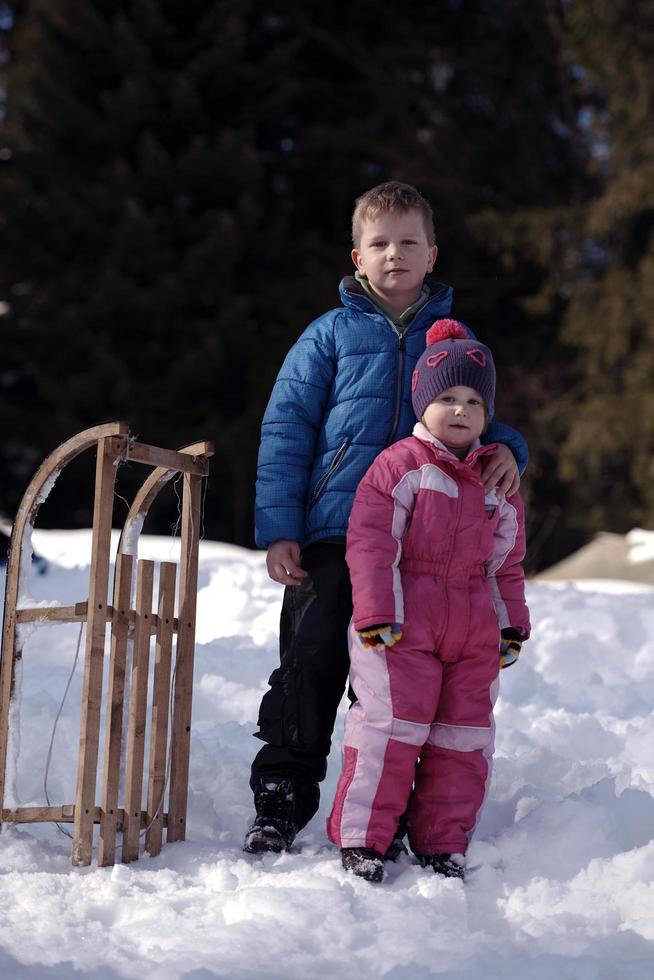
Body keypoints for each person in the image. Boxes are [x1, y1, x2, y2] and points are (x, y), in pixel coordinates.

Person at [244, 181, 528, 855]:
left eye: (408, 242)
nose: (394, 254)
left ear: (432, 255)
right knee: (310, 660)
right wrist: (281, 527)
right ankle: (281, 793)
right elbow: (287, 429)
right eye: (379, 244)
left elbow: (476, 420)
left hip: (423, 548)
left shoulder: (455, 344)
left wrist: (511, 450)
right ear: (357, 257)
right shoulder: (329, 336)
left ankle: (389, 801)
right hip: (334, 534)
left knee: (399, 678)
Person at [326, 319, 530, 883]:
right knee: (391, 729)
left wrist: (510, 626)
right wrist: (376, 613)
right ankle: (366, 837)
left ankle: (441, 841)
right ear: (423, 401)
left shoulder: (496, 480)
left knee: (462, 739)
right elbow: (371, 544)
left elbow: (505, 563)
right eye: (446, 398)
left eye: (472, 400)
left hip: (471, 636)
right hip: (400, 628)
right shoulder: (402, 466)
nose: (460, 410)